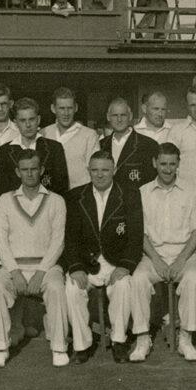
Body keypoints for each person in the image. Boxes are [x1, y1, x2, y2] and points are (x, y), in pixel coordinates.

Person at [0, 150, 69, 368]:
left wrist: (40, 272)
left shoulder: (56, 201)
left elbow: (58, 241)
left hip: (47, 266)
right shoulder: (5, 200)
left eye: (34, 169)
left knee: (56, 288)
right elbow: (1, 241)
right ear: (17, 172)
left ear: (41, 170)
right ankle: (0, 348)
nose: (30, 174)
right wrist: (15, 272)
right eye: (25, 170)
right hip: (13, 266)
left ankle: (59, 347)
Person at [62, 150, 143, 364]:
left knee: (124, 285)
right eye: (95, 170)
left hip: (116, 262)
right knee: (72, 288)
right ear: (88, 171)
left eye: (105, 170)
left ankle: (119, 341)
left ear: (114, 170)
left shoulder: (129, 194)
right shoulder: (75, 196)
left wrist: (125, 266)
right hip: (87, 264)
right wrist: (77, 267)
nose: (100, 175)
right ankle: (82, 345)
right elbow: (70, 238)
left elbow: (135, 237)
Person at [130, 143, 196, 362]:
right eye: (163, 164)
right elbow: (140, 234)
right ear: (154, 163)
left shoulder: (191, 191)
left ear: (178, 164)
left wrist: (181, 260)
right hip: (153, 254)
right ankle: (142, 338)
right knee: (139, 278)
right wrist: (157, 260)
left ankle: (185, 338)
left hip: (185, 253)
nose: (168, 169)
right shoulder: (142, 192)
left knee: (192, 278)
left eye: (172, 164)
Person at [0, 97, 69, 200]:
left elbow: (62, 187)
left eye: (31, 119)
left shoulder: (54, 148)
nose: (28, 125)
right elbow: (3, 190)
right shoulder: (5, 151)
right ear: (16, 123)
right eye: (23, 120)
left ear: (38, 120)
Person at [41, 87, 100, 190]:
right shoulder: (44, 133)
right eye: (62, 108)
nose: (66, 113)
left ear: (76, 108)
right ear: (53, 109)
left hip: (79, 197)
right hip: (50, 195)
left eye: (69, 108)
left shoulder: (89, 135)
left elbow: (95, 171)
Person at [99, 97, 158, 189]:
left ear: (130, 116)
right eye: (115, 115)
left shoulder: (148, 145)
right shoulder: (100, 145)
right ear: (108, 117)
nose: (119, 119)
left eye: (123, 115)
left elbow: (153, 181)